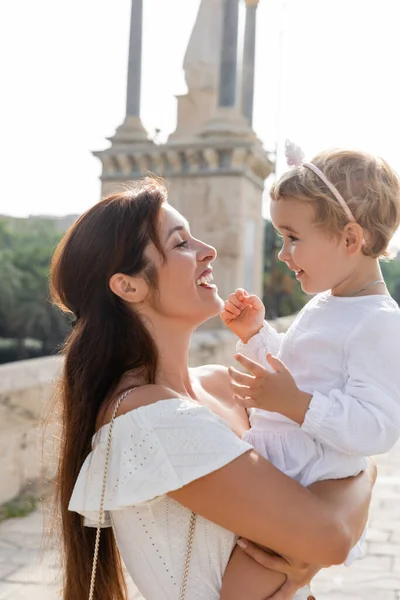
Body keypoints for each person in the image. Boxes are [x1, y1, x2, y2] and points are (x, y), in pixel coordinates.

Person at [49, 177, 374, 600]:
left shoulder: (224, 384)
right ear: (128, 286)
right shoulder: (149, 419)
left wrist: (316, 543)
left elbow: (331, 486)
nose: (208, 250)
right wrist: (364, 475)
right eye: (181, 243)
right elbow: (332, 537)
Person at [222, 142, 400, 597]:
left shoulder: (378, 322)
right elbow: (294, 373)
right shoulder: (327, 304)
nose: (283, 253)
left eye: (293, 237)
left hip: (306, 492)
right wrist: (258, 335)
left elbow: (377, 428)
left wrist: (297, 405)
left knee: (242, 590)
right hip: (283, 480)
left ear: (349, 239)